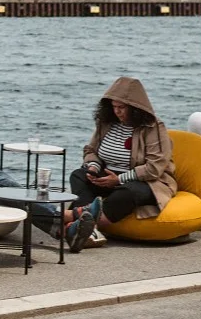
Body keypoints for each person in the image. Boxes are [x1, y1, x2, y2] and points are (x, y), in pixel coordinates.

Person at [64, 77, 176, 251]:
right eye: (114, 107)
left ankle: (71, 219)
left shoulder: (153, 127)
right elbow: (91, 150)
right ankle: (89, 229)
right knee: (78, 175)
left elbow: (155, 167)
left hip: (144, 181)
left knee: (128, 192)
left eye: (122, 108)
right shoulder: (106, 123)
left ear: (136, 108)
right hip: (108, 176)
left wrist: (119, 180)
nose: (117, 112)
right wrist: (93, 167)